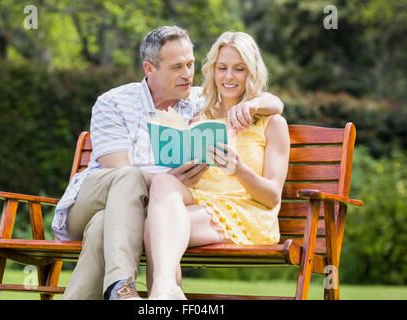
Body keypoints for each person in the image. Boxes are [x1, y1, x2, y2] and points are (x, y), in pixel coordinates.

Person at [51, 26, 284, 300]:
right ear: (149, 68)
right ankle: (123, 288)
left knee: (107, 226)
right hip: (95, 199)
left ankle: (158, 294)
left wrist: (256, 105)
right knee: (131, 178)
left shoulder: (198, 102)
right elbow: (119, 172)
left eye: (190, 64)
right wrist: (173, 179)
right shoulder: (114, 103)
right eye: (177, 67)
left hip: (146, 211)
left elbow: (268, 100)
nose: (187, 74)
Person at [143, 31, 290, 299]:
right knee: (164, 182)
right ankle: (167, 291)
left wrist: (240, 170)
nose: (229, 76)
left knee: (154, 228)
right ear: (213, 70)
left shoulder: (272, 124)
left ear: (251, 72)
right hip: (202, 204)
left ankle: (162, 293)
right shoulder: (201, 119)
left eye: (239, 69)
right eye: (222, 68)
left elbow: (271, 197)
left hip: (248, 213)